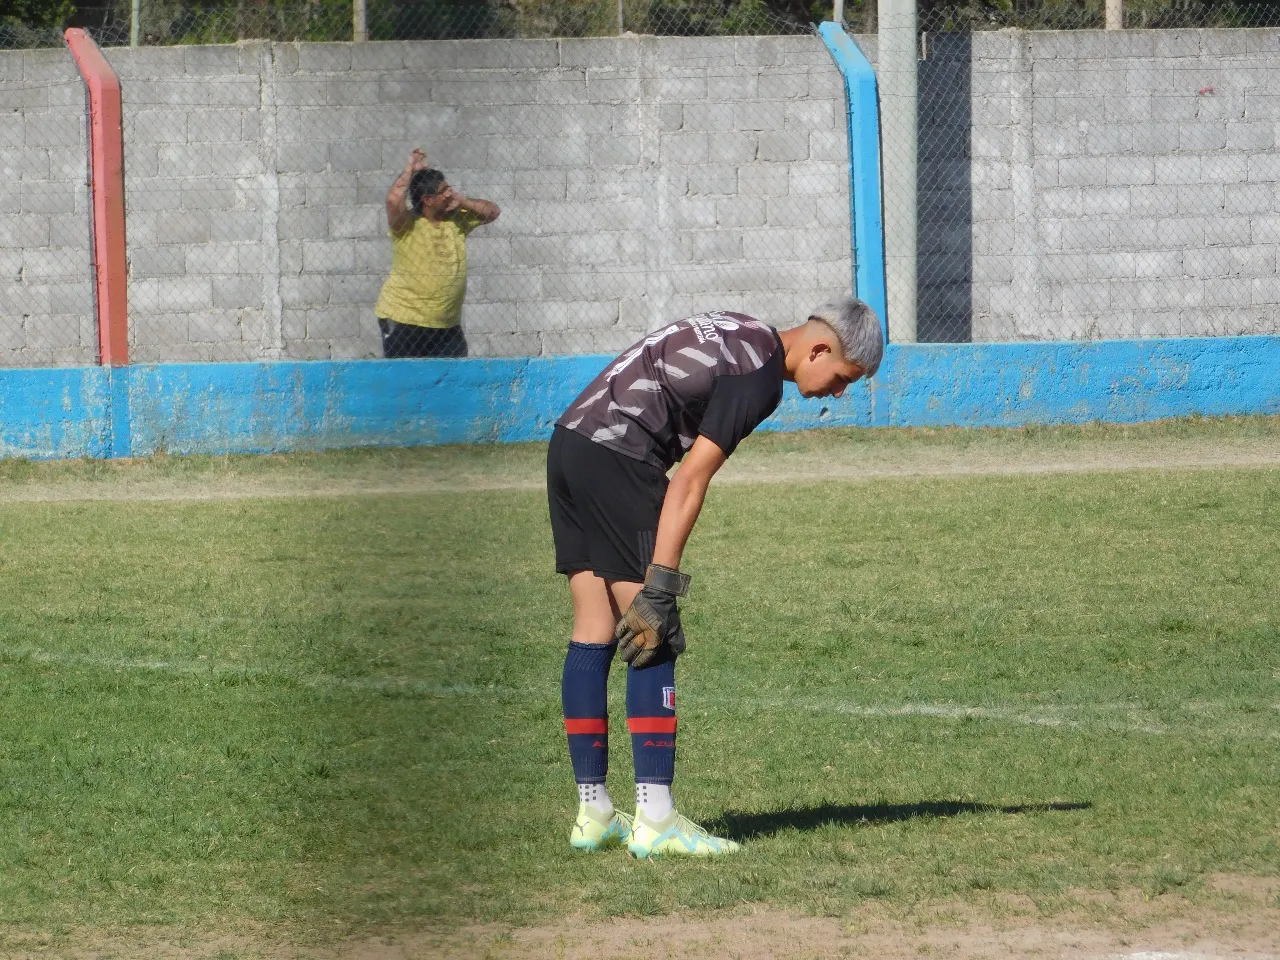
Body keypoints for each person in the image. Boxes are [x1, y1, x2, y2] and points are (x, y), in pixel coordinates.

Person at [548, 299, 884, 858]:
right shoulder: (758, 379)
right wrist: (661, 583)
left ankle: (594, 812)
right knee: (650, 631)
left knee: (593, 625)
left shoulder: (743, 328)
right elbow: (689, 481)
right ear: (821, 350)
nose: (838, 392)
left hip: (570, 443)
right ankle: (655, 820)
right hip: (620, 457)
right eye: (844, 378)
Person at [374, 147, 500, 358]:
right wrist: (410, 169)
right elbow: (393, 201)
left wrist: (464, 201)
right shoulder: (407, 225)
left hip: (446, 326)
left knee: (455, 379)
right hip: (404, 320)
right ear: (427, 199)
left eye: (448, 188)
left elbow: (493, 212)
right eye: (443, 191)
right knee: (407, 382)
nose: (449, 193)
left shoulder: (457, 218)